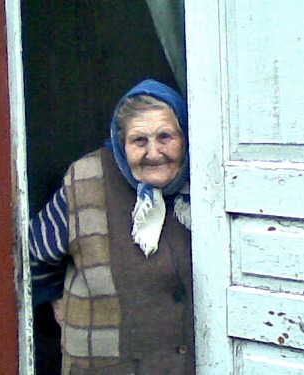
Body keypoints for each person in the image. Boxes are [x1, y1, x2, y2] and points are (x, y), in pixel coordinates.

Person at [29, 79, 194, 374]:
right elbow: (34, 253)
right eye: (139, 141)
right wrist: (57, 305)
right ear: (120, 143)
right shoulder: (86, 181)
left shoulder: (210, 183)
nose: (153, 153)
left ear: (185, 136)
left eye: (165, 137)